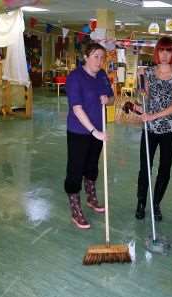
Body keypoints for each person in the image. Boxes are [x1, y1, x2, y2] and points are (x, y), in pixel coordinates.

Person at [133, 36, 172, 221]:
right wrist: (139, 81)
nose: (164, 55)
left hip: (169, 129)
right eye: (162, 50)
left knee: (165, 169)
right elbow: (144, 97)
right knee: (145, 167)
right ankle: (141, 203)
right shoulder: (148, 72)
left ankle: (156, 204)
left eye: (168, 50)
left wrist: (153, 115)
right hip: (150, 129)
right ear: (157, 52)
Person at [64, 43, 114, 229]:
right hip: (79, 131)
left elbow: (112, 98)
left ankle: (91, 198)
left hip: (98, 132)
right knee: (75, 169)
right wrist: (94, 132)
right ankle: (75, 209)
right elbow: (77, 109)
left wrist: (107, 99)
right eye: (95, 56)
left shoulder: (102, 76)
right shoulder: (75, 77)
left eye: (102, 57)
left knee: (92, 166)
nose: (99, 61)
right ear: (85, 57)